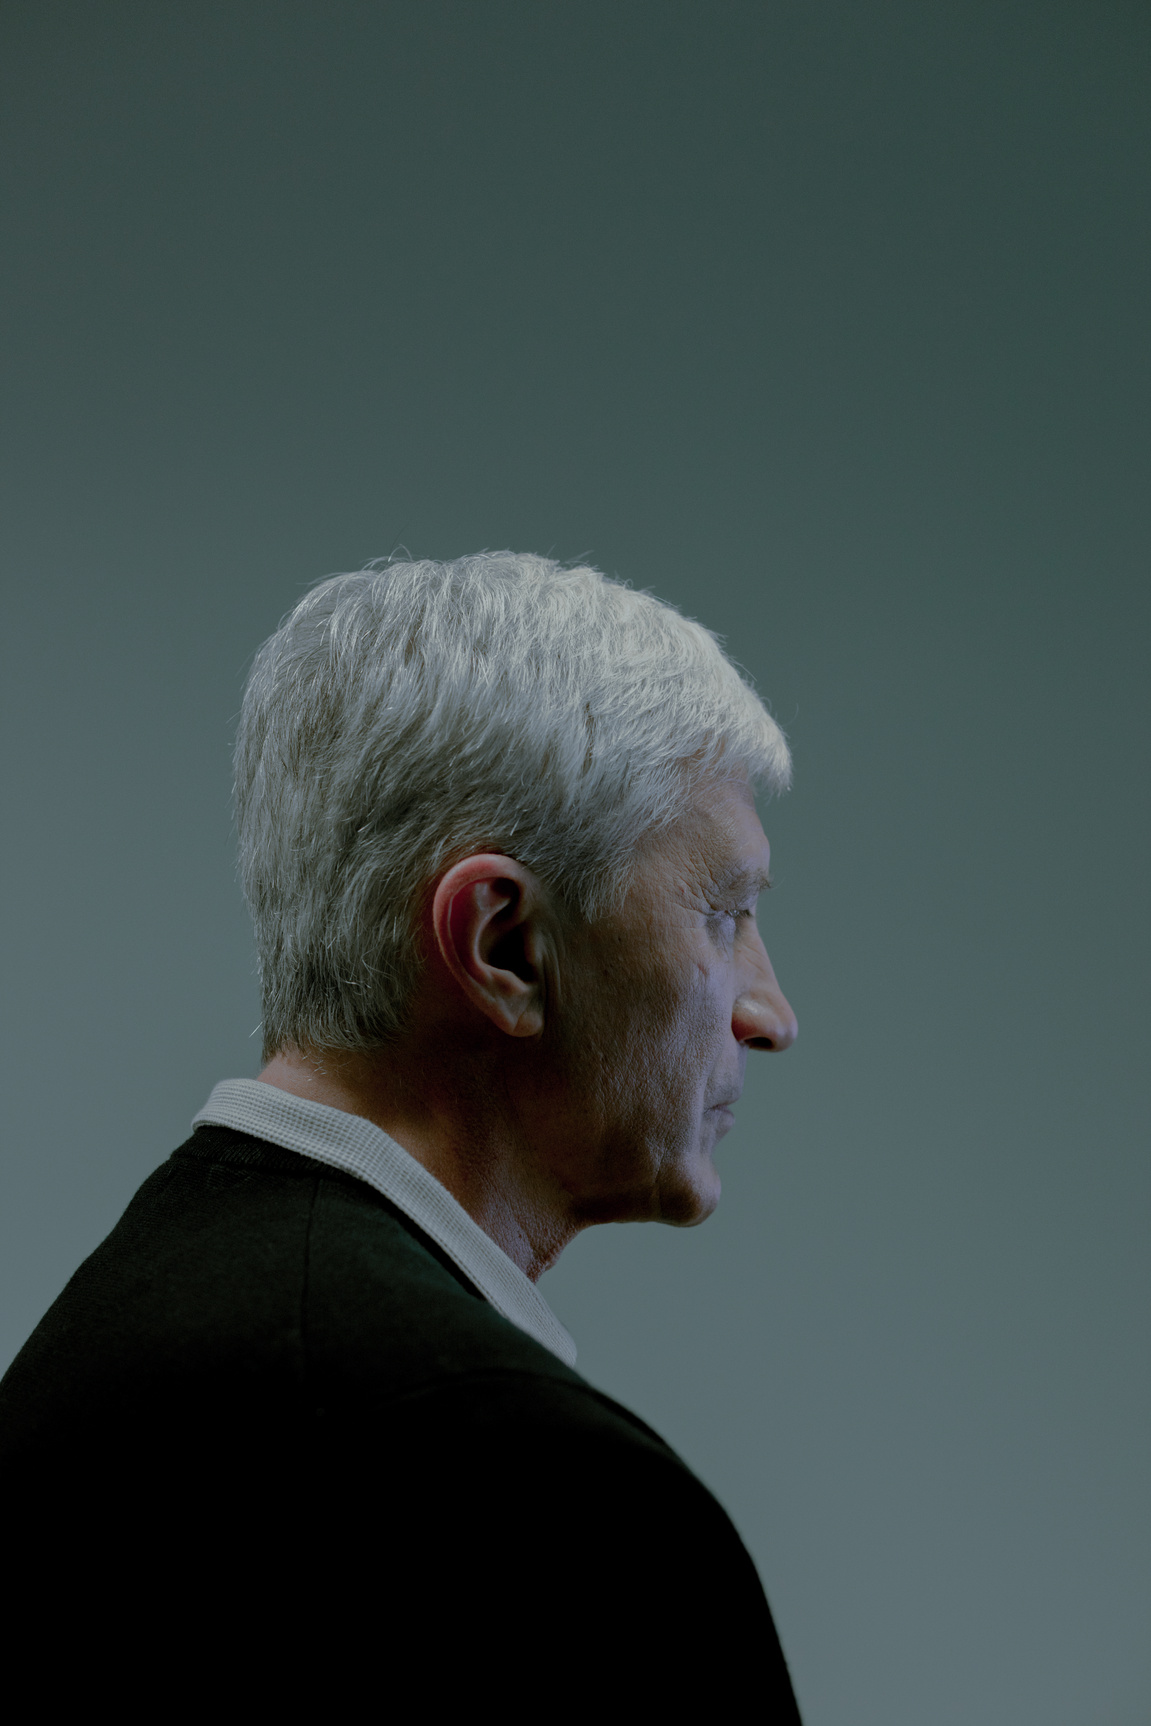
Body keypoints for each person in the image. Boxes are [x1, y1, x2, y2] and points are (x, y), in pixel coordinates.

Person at [0, 553, 802, 1715]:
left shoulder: (106, 1356)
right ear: (504, 947)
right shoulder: (534, 1495)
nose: (767, 1012)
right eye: (722, 914)